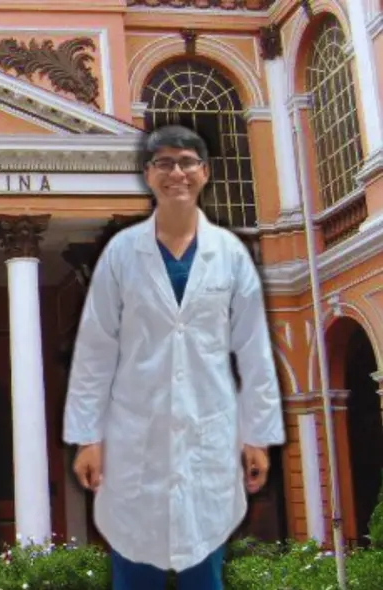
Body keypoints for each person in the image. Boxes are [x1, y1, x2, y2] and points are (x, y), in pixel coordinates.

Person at [62, 125, 284, 590]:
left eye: (186, 162)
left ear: (204, 173)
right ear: (148, 174)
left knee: (203, 564)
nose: (176, 173)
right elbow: (95, 348)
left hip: (209, 431)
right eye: (163, 163)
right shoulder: (122, 254)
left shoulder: (230, 255)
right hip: (134, 435)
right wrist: (87, 437)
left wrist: (258, 436)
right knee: (134, 563)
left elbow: (253, 348)